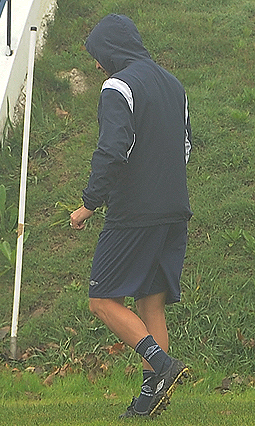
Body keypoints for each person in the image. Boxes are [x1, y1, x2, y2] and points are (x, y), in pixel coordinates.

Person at [70, 14, 192, 418]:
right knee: (149, 304)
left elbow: (113, 150)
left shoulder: (118, 86)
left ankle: (163, 365)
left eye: (98, 56)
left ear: (110, 51)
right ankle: (147, 402)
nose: (97, 64)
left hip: (134, 213)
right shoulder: (174, 85)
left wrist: (90, 202)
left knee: (102, 299)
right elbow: (186, 148)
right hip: (175, 210)